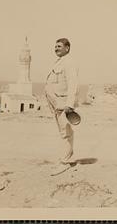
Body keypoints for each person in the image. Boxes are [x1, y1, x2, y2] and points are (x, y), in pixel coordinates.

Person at [45, 38, 79, 175]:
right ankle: (65, 158)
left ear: (67, 48)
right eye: (55, 46)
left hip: (64, 104)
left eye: (59, 46)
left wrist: (69, 105)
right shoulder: (60, 62)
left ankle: (65, 162)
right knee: (63, 132)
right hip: (57, 104)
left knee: (66, 133)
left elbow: (73, 84)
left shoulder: (69, 62)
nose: (56, 48)